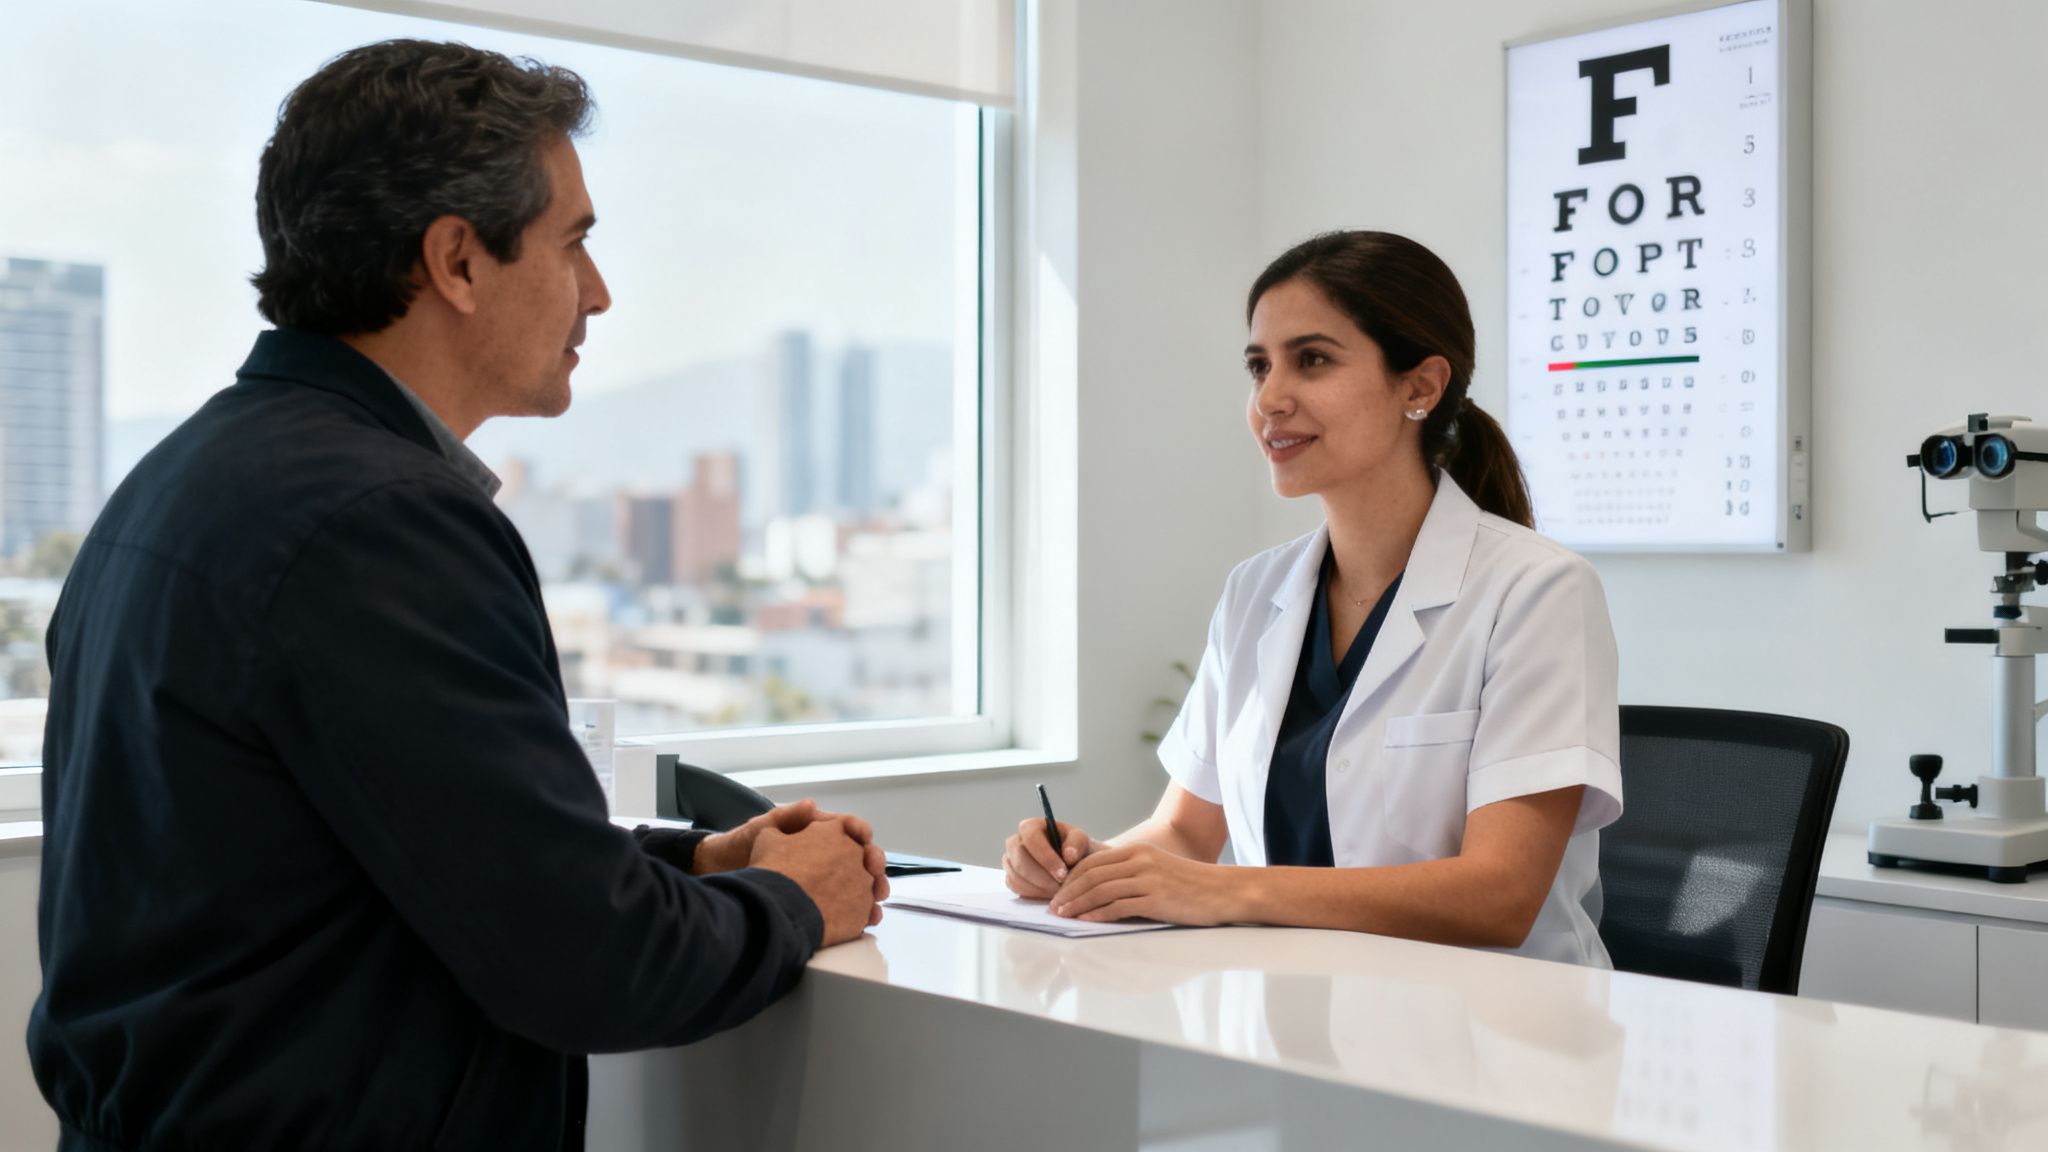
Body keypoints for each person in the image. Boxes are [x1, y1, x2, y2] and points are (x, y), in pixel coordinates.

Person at [29, 40, 885, 1150]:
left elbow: (398, 855)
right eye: (572, 242)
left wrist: (691, 864)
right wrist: (798, 901)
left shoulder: (187, 480)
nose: (599, 292)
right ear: (457, 262)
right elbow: (591, 967)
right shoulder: (379, 523)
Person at [1005, 231, 1622, 966]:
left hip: (1490, 1039)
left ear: (1420, 386)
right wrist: (1085, 868)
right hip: (1291, 1013)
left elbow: (1500, 895)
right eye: (1259, 366)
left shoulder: (1536, 590)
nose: (1270, 399)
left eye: (1313, 360)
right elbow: (1183, 834)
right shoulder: (1255, 592)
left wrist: (1232, 891)